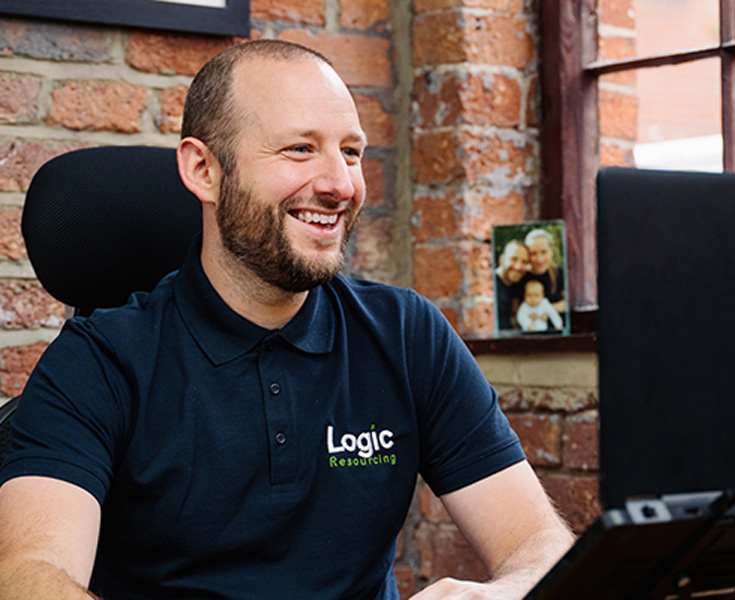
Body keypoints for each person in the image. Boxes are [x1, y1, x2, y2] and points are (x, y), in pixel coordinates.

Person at [0, 40, 573, 599]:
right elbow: (28, 577)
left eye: (350, 151)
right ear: (204, 169)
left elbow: (539, 543)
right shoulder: (97, 361)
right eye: (300, 149)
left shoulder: (407, 334)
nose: (340, 185)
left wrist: (508, 590)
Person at [523, 228, 566, 317]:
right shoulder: (522, 277)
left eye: (544, 252)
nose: (540, 259)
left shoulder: (560, 273)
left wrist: (546, 310)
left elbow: (570, 303)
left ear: (551, 252)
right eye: (533, 253)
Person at [493, 238, 530, 332]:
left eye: (524, 262)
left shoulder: (519, 285)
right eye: (513, 259)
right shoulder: (489, 286)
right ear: (502, 260)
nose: (518, 266)